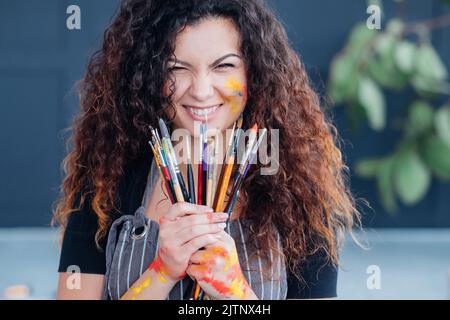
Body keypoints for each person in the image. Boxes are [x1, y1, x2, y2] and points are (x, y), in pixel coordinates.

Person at [54, 0, 359, 300]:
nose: (200, 91)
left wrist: (235, 292)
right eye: (176, 68)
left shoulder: (298, 188)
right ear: (147, 75)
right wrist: (161, 272)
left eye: (223, 66)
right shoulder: (107, 175)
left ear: (254, 72)